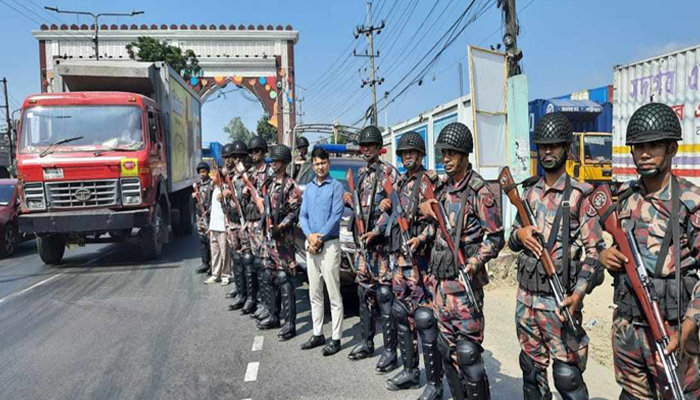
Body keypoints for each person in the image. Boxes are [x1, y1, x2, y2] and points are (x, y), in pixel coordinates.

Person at [598, 103, 700, 400]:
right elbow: (613, 246)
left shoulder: (690, 202)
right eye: (638, 146)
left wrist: (686, 330)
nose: (644, 153)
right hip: (629, 329)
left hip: (674, 332)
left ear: (672, 148)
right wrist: (607, 257)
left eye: (654, 145)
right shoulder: (625, 198)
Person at [508, 112, 604, 400]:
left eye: (555, 146)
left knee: (567, 376)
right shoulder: (527, 194)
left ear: (567, 148)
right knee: (531, 370)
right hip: (526, 300)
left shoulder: (580, 195)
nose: (548, 151)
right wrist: (520, 235)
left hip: (560, 301)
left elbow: (595, 253)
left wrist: (578, 295)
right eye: (543, 146)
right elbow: (511, 239)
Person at [419, 122, 504, 399]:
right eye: (444, 153)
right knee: (446, 349)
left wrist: (474, 263)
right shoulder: (443, 191)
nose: (446, 159)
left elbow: (495, 238)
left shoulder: (479, 192)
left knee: (468, 355)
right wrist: (422, 237)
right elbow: (439, 229)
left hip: (465, 286)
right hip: (441, 284)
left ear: (465, 155)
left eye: (452, 153)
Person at [379, 131, 444, 399]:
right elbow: (396, 216)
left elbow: (439, 222)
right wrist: (386, 207)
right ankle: (410, 370)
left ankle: (435, 383)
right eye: (404, 153)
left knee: (425, 319)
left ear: (421, 155)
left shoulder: (429, 181)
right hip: (400, 260)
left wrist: (421, 238)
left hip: (422, 261)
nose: (408, 157)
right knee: (400, 312)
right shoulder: (400, 183)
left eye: (412, 153)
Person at [343, 125, 400, 373]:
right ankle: (367, 343)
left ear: (379, 148)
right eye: (363, 147)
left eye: (370, 146)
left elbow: (397, 209)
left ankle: (390, 351)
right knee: (363, 293)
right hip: (364, 248)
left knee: (385, 297)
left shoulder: (389, 173)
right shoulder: (362, 175)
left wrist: (376, 230)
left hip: (382, 247)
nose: (365, 150)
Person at [299, 146, 345, 356]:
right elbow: (303, 216)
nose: (319, 167)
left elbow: (336, 215)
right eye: (316, 163)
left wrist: (319, 237)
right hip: (312, 245)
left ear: (329, 163)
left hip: (329, 245)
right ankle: (318, 333)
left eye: (323, 163)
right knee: (314, 292)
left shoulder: (335, 187)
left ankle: (336, 338)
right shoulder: (309, 189)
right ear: (313, 165)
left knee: (333, 293)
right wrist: (310, 236)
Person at [257, 144, 302, 342]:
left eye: (275, 161)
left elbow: (294, 212)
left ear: (284, 163)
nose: (272, 164)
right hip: (270, 238)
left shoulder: (290, 185)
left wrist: (281, 227)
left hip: (284, 239)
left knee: (285, 279)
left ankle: (289, 323)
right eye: (272, 161)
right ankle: (274, 315)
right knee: (269, 275)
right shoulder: (269, 183)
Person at [243, 136, 275, 321]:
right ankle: (263, 303)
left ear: (263, 152)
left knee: (267, 266)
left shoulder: (270, 172)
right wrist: (246, 193)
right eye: (252, 152)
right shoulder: (251, 174)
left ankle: (271, 307)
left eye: (257, 151)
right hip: (253, 223)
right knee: (257, 264)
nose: (254, 154)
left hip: (266, 224)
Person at [223, 141, 252, 303]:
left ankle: (250, 296)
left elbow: (247, 200)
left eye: (239, 157)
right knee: (236, 257)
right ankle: (240, 291)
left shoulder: (247, 176)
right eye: (234, 157)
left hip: (245, 222)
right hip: (233, 221)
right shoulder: (231, 177)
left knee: (248, 259)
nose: (236, 160)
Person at [205, 168, 231, 285]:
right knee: (215, 252)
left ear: (219, 177)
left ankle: (226, 275)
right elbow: (213, 210)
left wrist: (224, 199)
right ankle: (216, 275)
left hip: (223, 226)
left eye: (214, 175)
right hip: (214, 226)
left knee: (225, 252)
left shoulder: (225, 189)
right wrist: (210, 226)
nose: (212, 178)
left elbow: (227, 208)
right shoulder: (214, 190)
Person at [193, 161, 214, 275]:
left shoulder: (212, 185)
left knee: (210, 240)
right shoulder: (198, 185)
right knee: (202, 240)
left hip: (209, 216)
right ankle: (205, 263)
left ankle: (212, 264)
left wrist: (208, 212)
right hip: (200, 217)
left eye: (204, 172)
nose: (202, 174)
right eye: (200, 172)